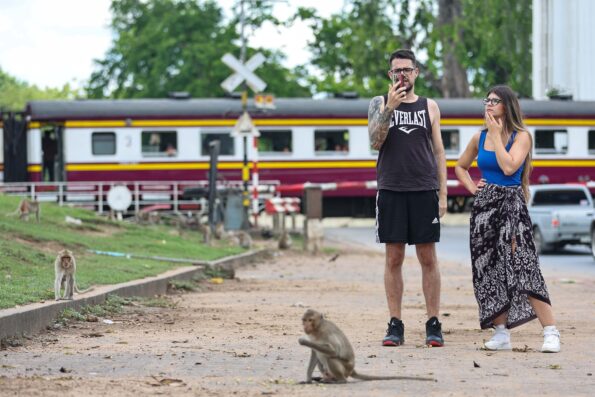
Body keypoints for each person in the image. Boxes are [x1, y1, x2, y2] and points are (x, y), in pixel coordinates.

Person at [454, 85, 560, 353]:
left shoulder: (521, 136)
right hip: (484, 207)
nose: (488, 104)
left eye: (495, 101)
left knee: (523, 265)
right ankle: (501, 333)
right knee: (488, 270)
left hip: (511, 205)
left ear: (507, 105)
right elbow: (460, 166)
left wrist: (497, 136)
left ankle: (550, 331)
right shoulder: (478, 137)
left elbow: (509, 166)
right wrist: (471, 187)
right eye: (486, 100)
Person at [368, 49, 448, 347]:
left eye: (406, 70)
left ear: (416, 72)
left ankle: (433, 322)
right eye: (396, 71)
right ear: (390, 75)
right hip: (391, 188)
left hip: (424, 189)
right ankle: (395, 323)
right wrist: (389, 107)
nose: (401, 75)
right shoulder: (378, 103)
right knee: (394, 258)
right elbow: (375, 142)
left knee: (428, 257)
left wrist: (443, 192)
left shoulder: (430, 106)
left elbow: (439, 152)